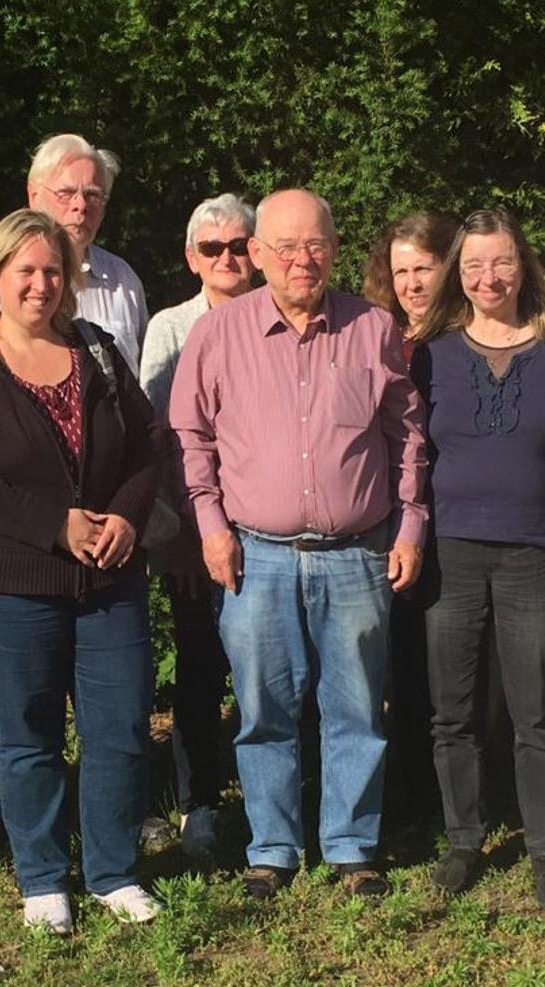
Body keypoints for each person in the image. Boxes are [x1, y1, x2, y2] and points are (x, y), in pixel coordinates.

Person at [170, 188, 429, 900]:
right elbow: (191, 437)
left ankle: (351, 846)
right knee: (262, 715)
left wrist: (410, 524)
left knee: (355, 709)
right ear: (257, 254)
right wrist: (210, 526)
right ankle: (273, 848)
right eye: (283, 247)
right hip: (257, 554)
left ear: (335, 249)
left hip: (355, 555)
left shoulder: (372, 329)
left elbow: (407, 435)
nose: (300, 260)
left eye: (314, 245)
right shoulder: (218, 337)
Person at [0, 210, 161, 934]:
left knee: (120, 724)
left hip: (108, 578)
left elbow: (149, 448)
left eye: (52, 270)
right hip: (9, 583)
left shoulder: (101, 351)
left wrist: (123, 516)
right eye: (25, 270)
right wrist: (55, 524)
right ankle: (43, 878)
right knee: (28, 733)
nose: (40, 283)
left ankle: (113, 871)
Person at [411, 209, 545, 907]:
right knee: (453, 710)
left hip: (536, 551)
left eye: (501, 262)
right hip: (452, 551)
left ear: (523, 264)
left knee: (538, 708)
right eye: (474, 266)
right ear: (458, 275)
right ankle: (465, 840)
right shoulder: (430, 350)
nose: (489, 277)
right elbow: (412, 454)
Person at [137, 193, 257, 859]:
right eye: (213, 248)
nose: (228, 258)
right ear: (192, 258)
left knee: (275, 673)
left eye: (240, 245)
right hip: (192, 533)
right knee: (201, 672)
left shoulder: (287, 316)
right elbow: (159, 442)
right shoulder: (170, 328)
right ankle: (200, 804)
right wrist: (175, 536)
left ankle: (283, 797)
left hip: (270, 531)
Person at [359, 211, 458, 831]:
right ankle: (412, 794)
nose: (413, 283)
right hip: (395, 520)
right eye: (401, 271)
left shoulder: (468, 336)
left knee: (452, 665)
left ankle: (462, 791)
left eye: (424, 267)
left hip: (455, 516)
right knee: (401, 662)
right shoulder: (379, 337)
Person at [0, 133, 146, 370]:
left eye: (93, 195)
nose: (80, 206)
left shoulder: (123, 281)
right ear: (34, 195)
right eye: (66, 193)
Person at [361, 212, 459, 341]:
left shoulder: (471, 341)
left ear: (449, 270)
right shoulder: (375, 341)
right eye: (401, 272)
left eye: (422, 269)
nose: (413, 285)